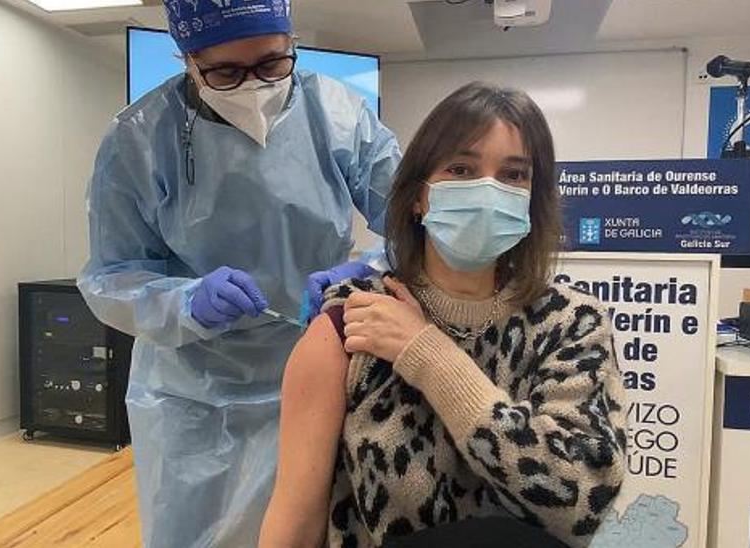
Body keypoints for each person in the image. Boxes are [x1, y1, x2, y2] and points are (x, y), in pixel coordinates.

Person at [77, 1, 400, 546]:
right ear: (186, 59)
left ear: (291, 42)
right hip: (192, 399)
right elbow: (110, 275)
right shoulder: (139, 140)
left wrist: (365, 271)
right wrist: (183, 302)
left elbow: (416, 228)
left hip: (315, 373)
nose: (254, 86)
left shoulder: (337, 115)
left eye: (273, 64)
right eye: (226, 72)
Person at [258, 82, 627, 548]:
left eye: (513, 176)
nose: (487, 190)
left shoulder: (572, 325)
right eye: (461, 169)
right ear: (418, 195)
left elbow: (578, 501)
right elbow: (295, 521)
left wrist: (431, 357)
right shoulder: (351, 325)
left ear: (534, 199)